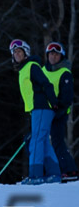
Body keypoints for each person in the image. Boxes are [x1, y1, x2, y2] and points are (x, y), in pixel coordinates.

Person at [9, 39, 62, 184]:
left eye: (19, 51)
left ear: (26, 52)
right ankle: (54, 174)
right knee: (43, 140)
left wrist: (54, 104)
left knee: (36, 140)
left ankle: (35, 175)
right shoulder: (23, 69)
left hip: (42, 107)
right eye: (15, 52)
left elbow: (47, 84)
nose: (17, 54)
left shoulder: (32, 66)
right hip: (37, 109)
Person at [42, 41, 78, 182]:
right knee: (39, 141)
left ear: (61, 56)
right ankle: (47, 171)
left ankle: (70, 170)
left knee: (56, 141)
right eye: (51, 54)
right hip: (44, 113)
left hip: (58, 113)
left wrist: (59, 111)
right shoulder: (43, 71)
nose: (53, 57)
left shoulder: (65, 73)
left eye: (56, 54)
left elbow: (67, 97)